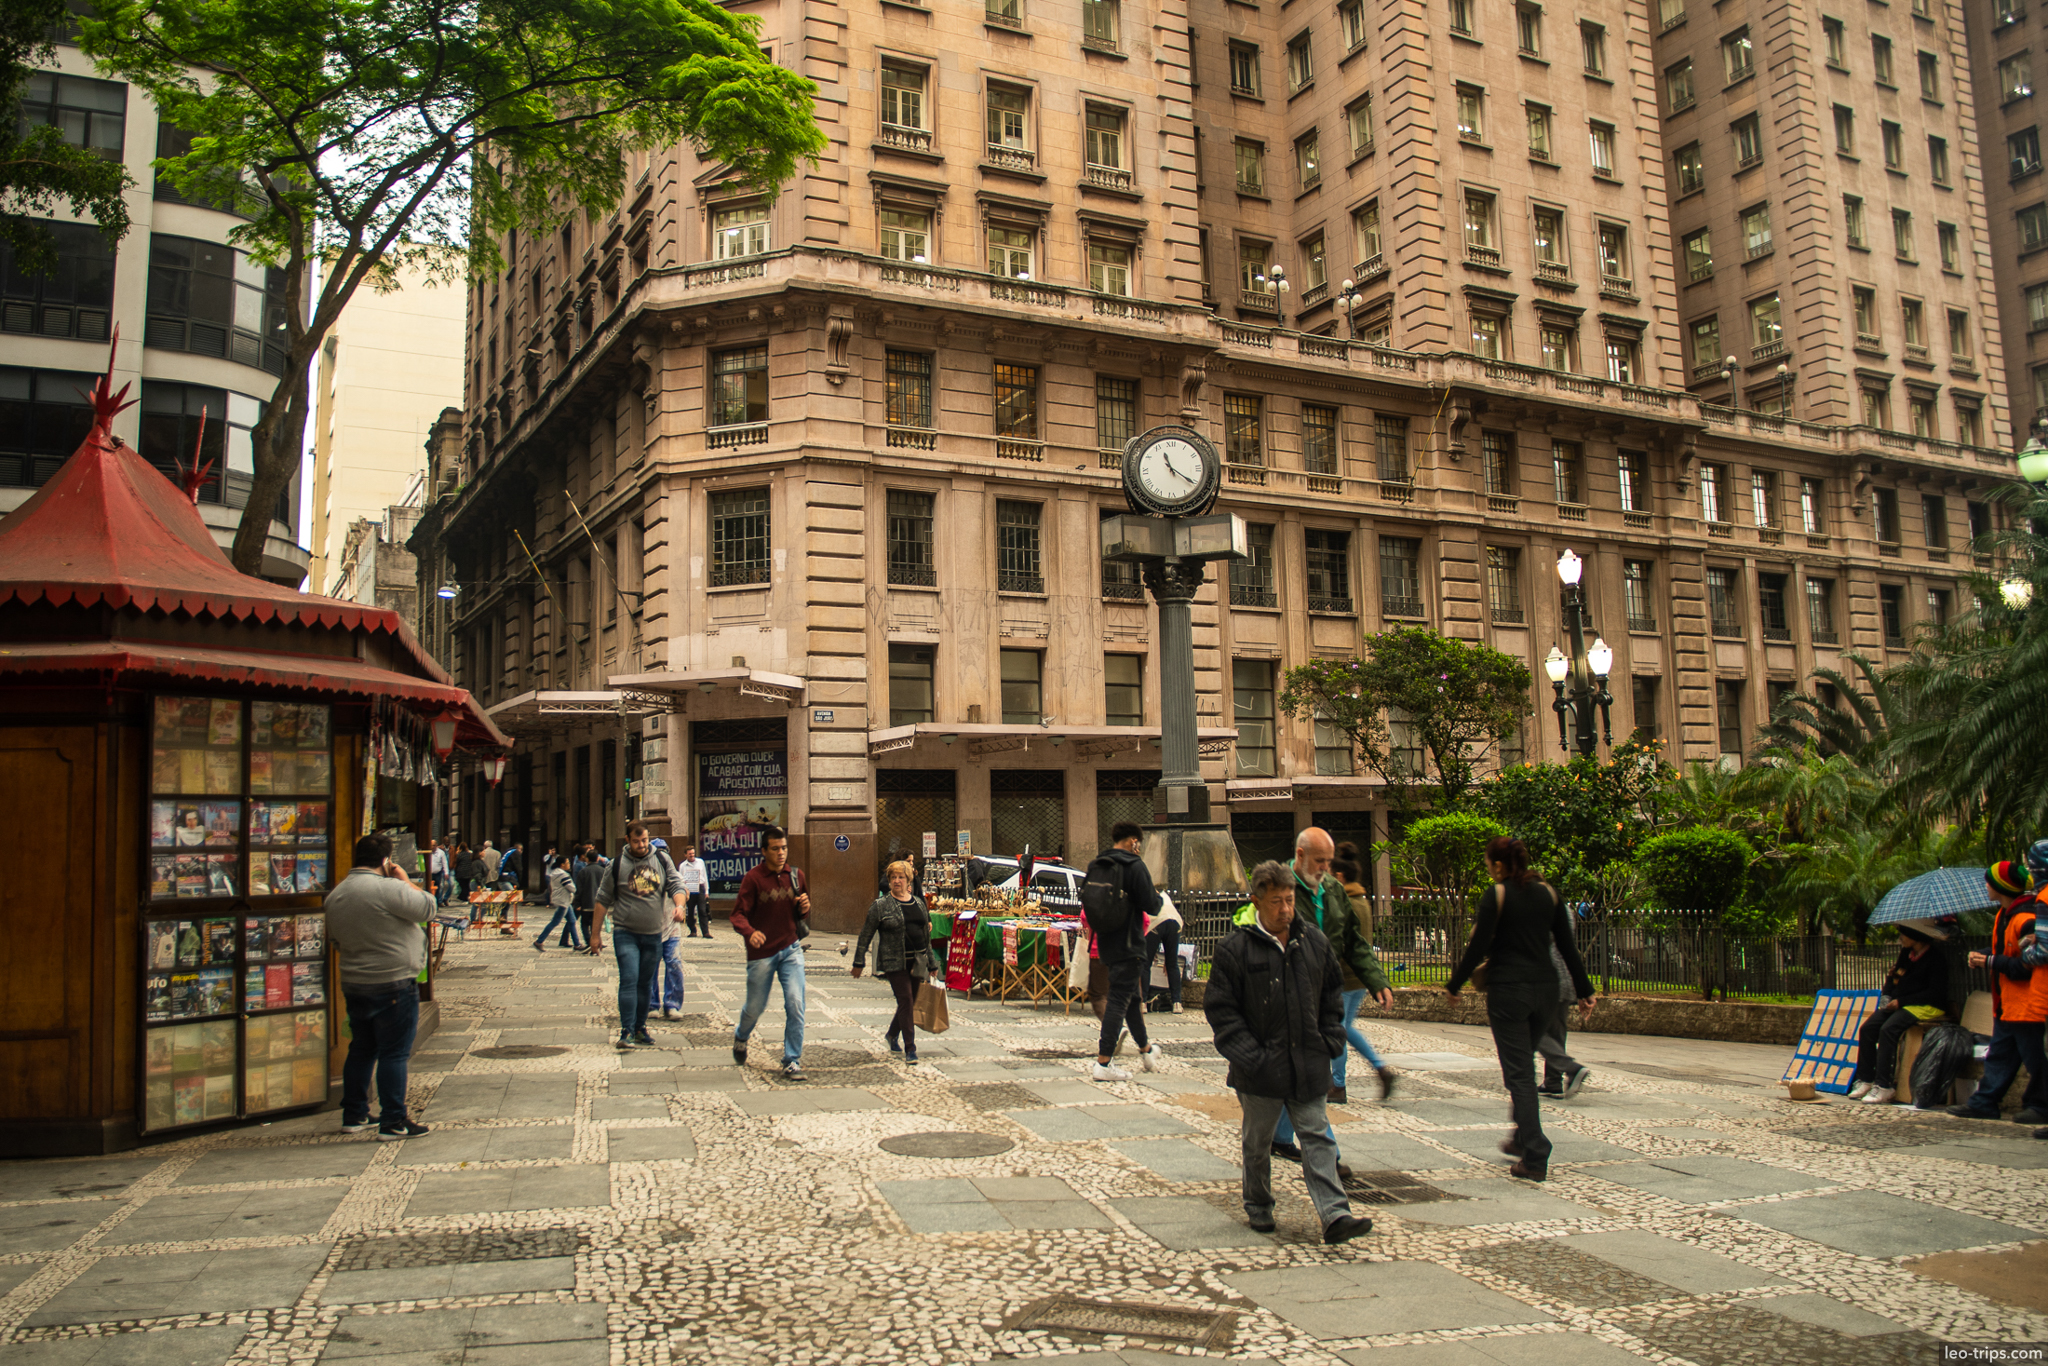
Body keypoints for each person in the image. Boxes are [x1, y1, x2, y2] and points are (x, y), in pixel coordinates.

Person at [1206, 859, 1374, 1245]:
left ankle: (1335, 1214)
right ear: (1256, 901)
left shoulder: (1313, 941)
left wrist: (1329, 1040)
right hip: (1259, 1070)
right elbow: (1222, 1011)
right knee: (1258, 1143)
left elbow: (1331, 995)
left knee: (1317, 1138)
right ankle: (1259, 1203)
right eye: (1276, 902)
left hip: (1308, 1060)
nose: (1285, 909)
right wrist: (1250, 1056)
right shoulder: (1235, 948)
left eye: (1290, 900)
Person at [1446, 837, 1596, 1181]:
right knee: (1523, 1066)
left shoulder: (1497, 895)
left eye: (1489, 864)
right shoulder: (1549, 894)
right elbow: (1568, 948)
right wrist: (1585, 990)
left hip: (1509, 993)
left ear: (1499, 865)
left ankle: (1535, 1152)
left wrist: (1455, 985)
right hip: (1546, 991)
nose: (1489, 870)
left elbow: (1477, 946)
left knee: (1519, 1075)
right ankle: (1519, 1138)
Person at [1264, 828, 1395, 1175]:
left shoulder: (1334, 890)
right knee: (1311, 1074)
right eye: (1319, 860)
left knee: (1302, 1071)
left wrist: (1376, 980)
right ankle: (1328, 1155)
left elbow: (1352, 940)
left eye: (1328, 860)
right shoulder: (1279, 888)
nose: (1325, 867)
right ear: (1300, 855)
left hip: (1325, 995)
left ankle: (1279, 1137)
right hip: (1289, 994)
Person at [325, 833, 435, 1140]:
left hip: (355, 982)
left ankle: (354, 1113)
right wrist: (405, 880)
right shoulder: (388, 889)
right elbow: (428, 908)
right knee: (394, 1053)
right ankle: (393, 1120)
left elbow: (335, 939)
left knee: (361, 1048)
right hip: (393, 982)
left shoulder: (336, 894)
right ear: (386, 861)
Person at [1948, 857, 2048, 1124]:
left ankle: (2040, 1105)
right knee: (2000, 1055)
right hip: (2008, 1004)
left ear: (2001, 887)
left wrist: (1990, 961)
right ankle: (1985, 1102)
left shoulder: (2024, 919)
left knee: (2035, 1059)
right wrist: (1983, 955)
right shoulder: (2006, 915)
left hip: (2027, 1004)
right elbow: (2005, 950)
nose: (1986, 887)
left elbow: (2027, 965)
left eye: (1989, 882)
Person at [590, 821, 686, 1049]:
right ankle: (627, 1030)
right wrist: (595, 935)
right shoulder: (616, 865)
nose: (642, 845)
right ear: (627, 840)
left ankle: (641, 1027)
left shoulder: (661, 859)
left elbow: (677, 886)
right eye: (636, 841)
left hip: (654, 935)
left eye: (644, 840)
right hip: (626, 933)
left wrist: (679, 906)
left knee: (644, 983)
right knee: (629, 978)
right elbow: (602, 899)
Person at [730, 826, 811, 1080]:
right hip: (762, 953)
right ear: (764, 851)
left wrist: (805, 907)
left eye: (784, 848)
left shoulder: (796, 875)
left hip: (791, 948)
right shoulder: (753, 879)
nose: (781, 853)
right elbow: (737, 915)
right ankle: (741, 1036)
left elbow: (802, 913)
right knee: (755, 1006)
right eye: (775, 849)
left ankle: (792, 1060)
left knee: (796, 1003)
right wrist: (750, 932)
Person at [1089, 822, 1165, 1082]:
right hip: (1129, 944)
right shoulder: (1134, 866)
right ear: (1133, 841)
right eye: (1138, 843)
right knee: (1119, 1000)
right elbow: (1152, 905)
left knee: (1132, 999)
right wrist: (1160, 898)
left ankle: (1146, 1050)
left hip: (1106, 943)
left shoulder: (1098, 864)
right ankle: (1104, 1063)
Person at [1845, 920, 1951, 1104]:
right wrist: (1887, 995)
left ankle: (1884, 1085)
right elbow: (1894, 977)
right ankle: (1866, 1079)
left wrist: (1902, 1001)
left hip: (1924, 1005)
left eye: (1904, 934)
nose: (1901, 938)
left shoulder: (1936, 958)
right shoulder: (1906, 954)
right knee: (1868, 1029)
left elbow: (1935, 992)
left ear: (1916, 936)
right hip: (1899, 1003)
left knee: (1888, 1030)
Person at [1324, 844, 1398, 1107]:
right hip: (1359, 979)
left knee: (1338, 1031)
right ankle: (1380, 1068)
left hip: (1344, 977)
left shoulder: (1345, 903)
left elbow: (1344, 942)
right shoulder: (1363, 900)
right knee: (1346, 1029)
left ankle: (1338, 1085)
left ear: (1339, 876)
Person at [853, 859, 933, 1062]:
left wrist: (932, 963)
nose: (897, 881)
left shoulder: (918, 903)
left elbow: (926, 936)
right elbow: (865, 934)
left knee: (909, 1002)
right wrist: (858, 961)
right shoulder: (880, 905)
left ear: (909, 880)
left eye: (901, 877)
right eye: (893, 877)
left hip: (917, 961)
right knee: (905, 999)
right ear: (888, 881)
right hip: (894, 961)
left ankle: (891, 1034)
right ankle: (910, 1048)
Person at [1535, 937, 1594, 1099]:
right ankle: (1553, 1082)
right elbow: (1569, 950)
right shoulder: (1565, 918)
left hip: (1543, 979)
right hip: (1565, 980)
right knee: (1556, 1034)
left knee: (1528, 1029)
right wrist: (1583, 990)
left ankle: (1571, 1068)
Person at [646, 837, 687, 1020]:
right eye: (659, 852)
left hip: (671, 928)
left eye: (665, 852)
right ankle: (651, 1004)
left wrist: (680, 906)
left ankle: (672, 1004)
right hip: (651, 928)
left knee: (674, 964)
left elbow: (683, 891)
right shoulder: (646, 875)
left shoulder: (675, 875)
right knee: (650, 966)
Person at [1145, 892, 1185, 1014]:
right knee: (1172, 963)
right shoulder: (1164, 895)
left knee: (1146, 963)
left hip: (1155, 922)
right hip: (1175, 921)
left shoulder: (1144, 892)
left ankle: (1142, 1002)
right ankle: (1177, 1003)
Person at [534, 852, 584, 951]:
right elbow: (572, 888)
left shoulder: (555, 873)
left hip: (563, 900)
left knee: (572, 921)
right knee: (555, 922)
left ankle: (577, 944)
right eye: (567, 863)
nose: (569, 864)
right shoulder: (562, 875)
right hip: (563, 901)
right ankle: (539, 941)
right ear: (562, 864)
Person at [572, 846, 603, 943]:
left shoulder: (583, 871)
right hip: (599, 903)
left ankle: (589, 940)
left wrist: (577, 903)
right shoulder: (603, 871)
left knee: (584, 924)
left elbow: (579, 889)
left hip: (586, 902)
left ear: (587, 859)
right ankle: (594, 940)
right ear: (597, 859)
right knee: (595, 924)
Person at [680, 844, 712, 937]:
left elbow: (704, 876)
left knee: (702, 910)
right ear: (685, 855)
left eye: (693, 853)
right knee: (690, 911)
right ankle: (692, 930)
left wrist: (706, 891)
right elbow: (681, 879)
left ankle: (705, 932)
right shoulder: (682, 866)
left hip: (700, 887)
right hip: (689, 889)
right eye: (690, 854)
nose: (692, 855)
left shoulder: (700, 862)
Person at [427, 839, 451, 904]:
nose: (432, 847)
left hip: (437, 873)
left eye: (433, 845)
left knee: (437, 888)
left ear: (436, 845)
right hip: (429, 874)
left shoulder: (441, 853)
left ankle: (437, 902)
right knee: (429, 888)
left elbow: (445, 863)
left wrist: (446, 872)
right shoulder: (428, 852)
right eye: (431, 845)